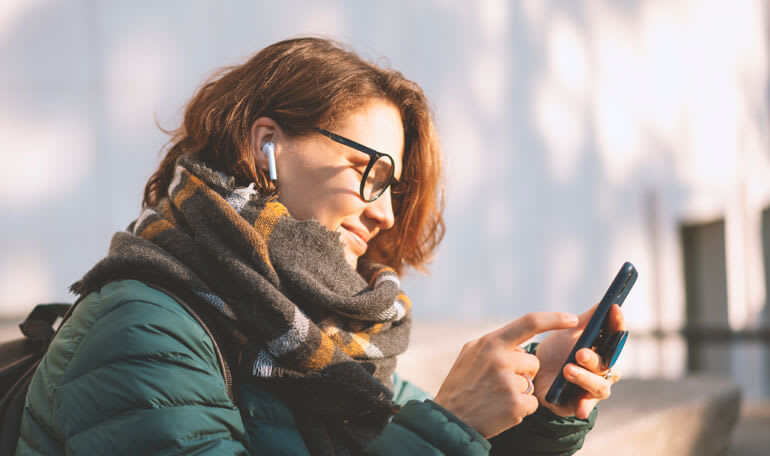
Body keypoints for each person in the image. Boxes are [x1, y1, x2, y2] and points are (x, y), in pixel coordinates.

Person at [16, 37, 623, 455]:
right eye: (373, 172)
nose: (385, 213)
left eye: (395, 187)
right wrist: (452, 421)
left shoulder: (324, 341)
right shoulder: (142, 327)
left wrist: (538, 413)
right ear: (265, 148)